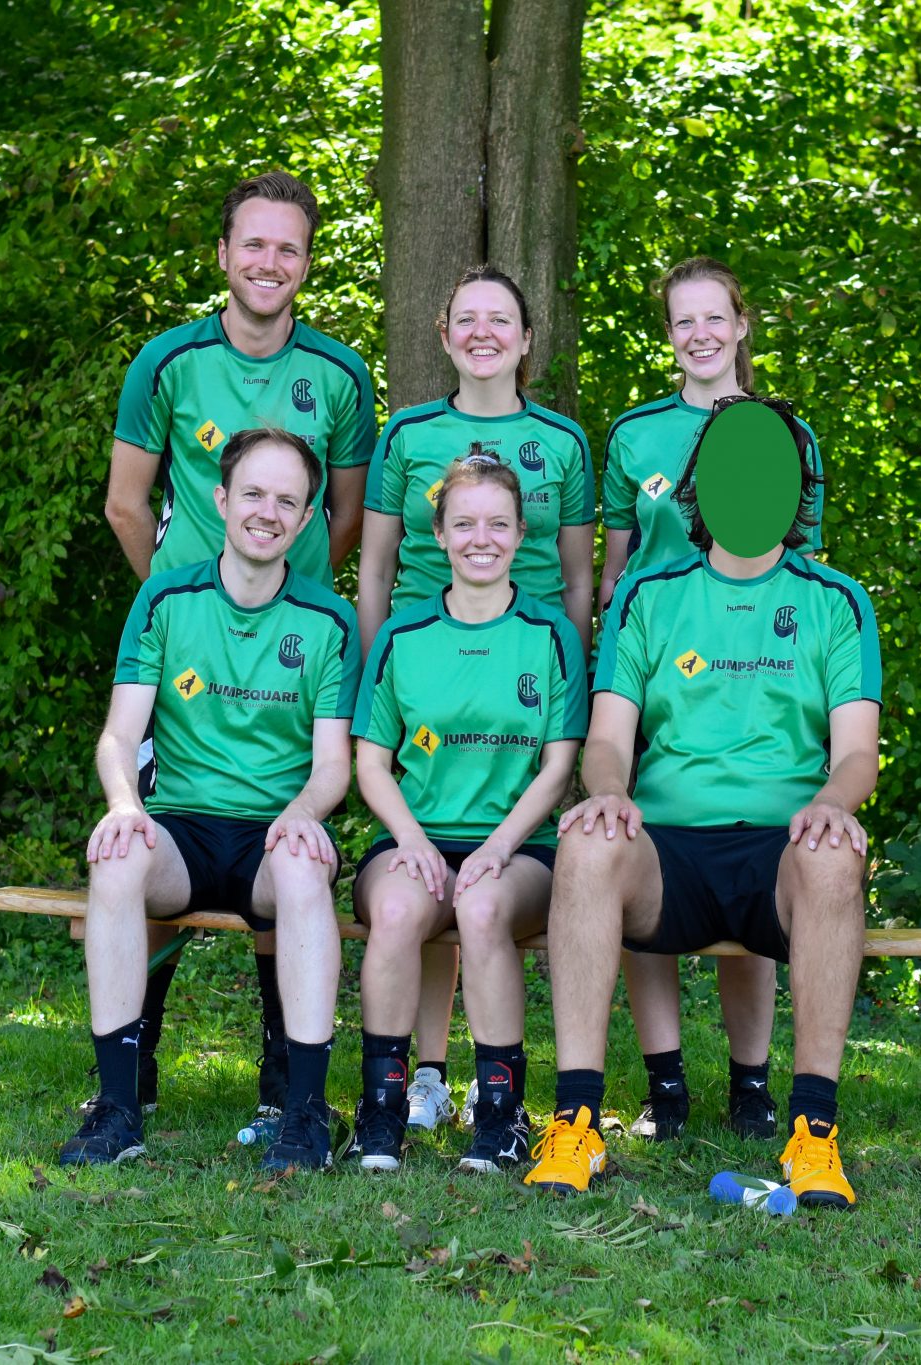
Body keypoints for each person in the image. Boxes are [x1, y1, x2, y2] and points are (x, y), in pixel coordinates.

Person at [523, 399, 881, 1208]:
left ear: (796, 487)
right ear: (699, 483)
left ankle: (814, 1132)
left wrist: (833, 800)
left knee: (836, 852)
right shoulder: (647, 594)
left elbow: (858, 752)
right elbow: (607, 740)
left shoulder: (836, 599)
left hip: (780, 851)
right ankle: (575, 1123)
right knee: (586, 840)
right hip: (669, 852)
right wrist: (607, 793)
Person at [102, 171, 376, 1138]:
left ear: (307, 261)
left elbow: (346, 516)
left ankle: (283, 1066)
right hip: (185, 643)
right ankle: (131, 1063)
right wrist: (182, 603)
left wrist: (282, 593)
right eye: (252, 243)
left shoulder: (340, 375)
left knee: (283, 832)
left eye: (288, 246)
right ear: (223, 254)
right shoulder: (168, 362)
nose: (269, 261)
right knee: (151, 836)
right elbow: (125, 503)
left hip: (291, 649)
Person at [61, 428, 358, 1175]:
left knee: (303, 868)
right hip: (182, 833)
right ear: (221, 499)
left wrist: (302, 815)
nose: (267, 512)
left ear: (308, 516)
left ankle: (304, 1114)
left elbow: (333, 766)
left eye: (287, 500)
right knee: (117, 859)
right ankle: (117, 1107)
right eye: (253, 493)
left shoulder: (330, 620)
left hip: (271, 836)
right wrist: (124, 805)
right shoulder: (165, 598)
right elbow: (118, 735)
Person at [597, 257, 829, 1142]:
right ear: (670, 335)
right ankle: (666, 1085)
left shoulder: (787, 434)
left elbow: (801, 569)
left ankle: (751, 1081)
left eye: (713, 318)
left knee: (751, 854)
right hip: (652, 668)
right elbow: (614, 569)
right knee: (634, 853)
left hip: (748, 676)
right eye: (682, 320)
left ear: (741, 326)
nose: (699, 334)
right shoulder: (634, 434)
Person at [359, 264, 595, 1129]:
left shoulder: (562, 442)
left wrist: (568, 679)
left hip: (521, 682)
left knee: (484, 888)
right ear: (444, 333)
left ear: (528, 338)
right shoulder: (407, 432)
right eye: (467, 318)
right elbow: (375, 568)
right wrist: (379, 675)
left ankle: (494, 1097)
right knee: (419, 876)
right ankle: (419, 1077)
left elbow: (579, 578)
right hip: (428, 684)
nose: (484, 332)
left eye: (502, 319)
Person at [345, 451, 586, 1173]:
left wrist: (499, 847)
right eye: (465, 524)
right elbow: (370, 763)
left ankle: (501, 1117)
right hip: (415, 837)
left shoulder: (550, 635)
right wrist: (412, 840)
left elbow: (558, 766)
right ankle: (381, 1111)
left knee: (479, 907)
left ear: (521, 534)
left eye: (498, 524)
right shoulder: (402, 635)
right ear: (439, 534)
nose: (482, 538)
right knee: (395, 909)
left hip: (519, 849)